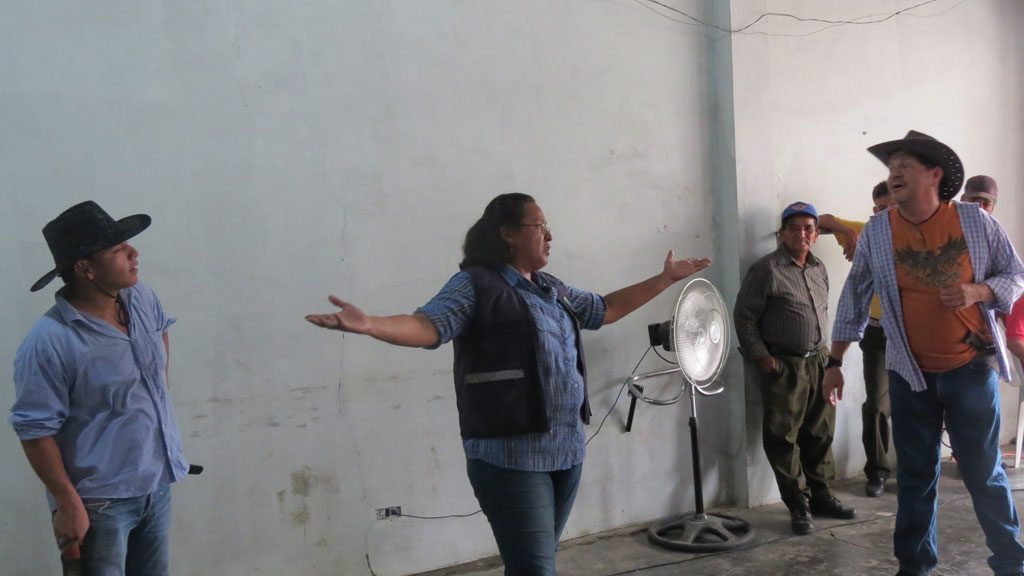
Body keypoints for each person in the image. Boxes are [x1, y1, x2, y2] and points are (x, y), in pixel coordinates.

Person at [305, 193, 711, 575]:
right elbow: (428, 325)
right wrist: (371, 324)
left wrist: (665, 279)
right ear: (508, 234)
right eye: (539, 226)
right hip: (510, 456)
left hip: (566, 450)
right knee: (535, 569)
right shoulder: (475, 285)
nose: (549, 236)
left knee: (533, 564)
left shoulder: (552, 289)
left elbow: (605, 309)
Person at [825, 130, 1024, 576]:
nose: (893, 175)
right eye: (891, 168)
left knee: (984, 473)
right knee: (915, 477)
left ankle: (1012, 563)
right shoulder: (879, 230)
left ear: (934, 175)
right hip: (909, 374)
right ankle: (914, 566)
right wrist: (834, 362)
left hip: (970, 369)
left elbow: (1016, 274)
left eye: (904, 167)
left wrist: (978, 290)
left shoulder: (974, 221)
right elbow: (854, 297)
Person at [9, 201, 190, 576]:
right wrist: (67, 503)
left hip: (156, 482)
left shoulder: (141, 299)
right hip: (99, 502)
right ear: (85, 268)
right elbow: (35, 430)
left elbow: (161, 333)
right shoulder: (50, 341)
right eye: (118, 250)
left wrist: (152, 395)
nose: (134, 253)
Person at [734, 201, 856, 536]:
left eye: (808, 228)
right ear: (782, 234)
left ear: (816, 235)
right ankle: (798, 504)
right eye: (794, 228)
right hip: (784, 366)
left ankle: (822, 495)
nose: (801, 234)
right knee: (783, 437)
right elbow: (744, 317)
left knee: (820, 432)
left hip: (819, 362)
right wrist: (762, 357)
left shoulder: (818, 268)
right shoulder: (767, 269)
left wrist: (831, 360)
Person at [817, 181, 897, 497]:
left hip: (914, 333)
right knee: (876, 403)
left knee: (915, 404)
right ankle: (877, 473)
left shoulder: (920, 237)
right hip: (876, 333)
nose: (884, 214)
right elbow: (821, 220)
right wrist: (847, 231)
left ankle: (915, 471)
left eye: (891, 207)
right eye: (879, 209)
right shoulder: (868, 232)